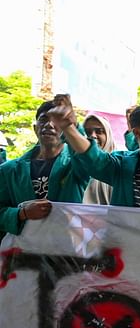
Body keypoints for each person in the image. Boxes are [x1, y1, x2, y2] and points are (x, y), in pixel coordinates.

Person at [0, 99, 90, 238]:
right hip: (22, 252)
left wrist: (74, 128)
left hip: (65, 251)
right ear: (35, 128)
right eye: (43, 119)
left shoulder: (76, 165)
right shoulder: (9, 170)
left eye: (58, 121)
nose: (49, 125)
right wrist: (22, 213)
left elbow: (89, 156)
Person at [82, 114, 116, 205]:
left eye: (99, 131)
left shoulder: (119, 166)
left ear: (108, 135)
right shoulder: (73, 164)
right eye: (87, 132)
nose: (92, 136)